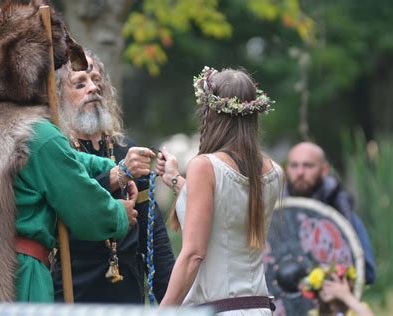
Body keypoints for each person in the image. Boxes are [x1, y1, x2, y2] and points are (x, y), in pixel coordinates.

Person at [0, 1, 139, 302]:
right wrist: (119, 215)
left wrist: (110, 168)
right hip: (15, 282)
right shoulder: (34, 134)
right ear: (34, 71)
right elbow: (88, 212)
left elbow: (64, 159)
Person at [156, 66, 284, 314]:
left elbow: (194, 254)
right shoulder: (275, 172)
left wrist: (161, 312)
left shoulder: (204, 166)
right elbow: (226, 207)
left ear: (211, 113)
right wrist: (175, 179)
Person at [53, 50, 175, 303]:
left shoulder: (125, 148)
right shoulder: (57, 151)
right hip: (73, 289)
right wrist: (117, 176)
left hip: (127, 290)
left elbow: (153, 237)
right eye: (80, 83)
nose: (93, 88)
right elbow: (66, 211)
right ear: (57, 97)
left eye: (97, 80)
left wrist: (171, 301)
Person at [285, 142, 376, 285]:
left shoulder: (343, 214)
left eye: (308, 166)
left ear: (324, 170)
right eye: (294, 165)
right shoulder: (275, 214)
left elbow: (367, 273)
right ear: (286, 169)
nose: (300, 172)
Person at [309, 274, 374, 316]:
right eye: (320, 282)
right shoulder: (314, 313)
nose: (325, 285)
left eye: (331, 280)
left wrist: (346, 296)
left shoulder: (354, 311)